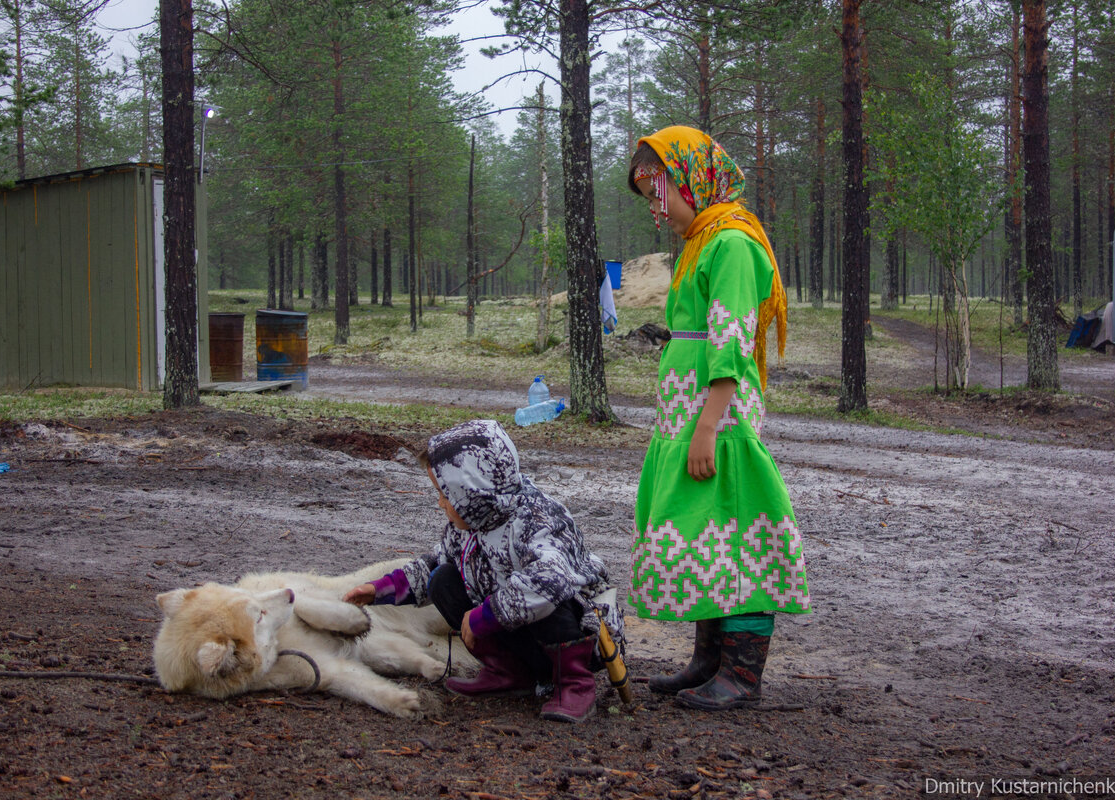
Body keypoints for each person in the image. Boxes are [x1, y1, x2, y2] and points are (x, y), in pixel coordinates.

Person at [626, 125, 810, 710]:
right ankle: (709, 661)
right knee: (706, 529)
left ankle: (742, 676)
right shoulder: (702, 242)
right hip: (691, 417)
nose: (657, 208)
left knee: (738, 529)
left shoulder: (731, 243)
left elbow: (731, 338)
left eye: (659, 190)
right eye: (648, 195)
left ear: (691, 179)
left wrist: (708, 424)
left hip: (717, 420)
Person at [344, 419, 624, 723]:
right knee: (443, 580)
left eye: (445, 494)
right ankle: (510, 672)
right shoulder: (469, 524)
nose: (440, 504)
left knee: (548, 598)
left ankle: (574, 684)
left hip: (579, 632)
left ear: (473, 490)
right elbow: (436, 563)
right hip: (523, 634)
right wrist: (380, 590)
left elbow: (549, 583)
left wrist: (485, 615)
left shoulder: (537, 518)